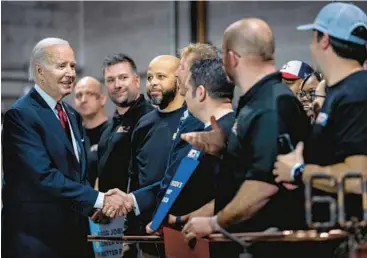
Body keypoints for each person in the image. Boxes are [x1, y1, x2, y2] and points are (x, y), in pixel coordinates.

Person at [180, 18, 310, 257]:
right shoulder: (254, 102)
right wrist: (225, 148)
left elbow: (263, 185)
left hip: (271, 247)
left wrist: (214, 222)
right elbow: (249, 169)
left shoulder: (271, 104)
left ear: (232, 58)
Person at [2, 37, 126, 258]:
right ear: (40, 71)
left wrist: (93, 208)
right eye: (62, 66)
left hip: (74, 238)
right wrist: (99, 199)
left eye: (72, 66)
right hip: (36, 242)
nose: (70, 72)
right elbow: (43, 177)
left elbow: (75, 174)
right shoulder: (20, 116)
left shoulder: (71, 115)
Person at [273, 2, 367, 197]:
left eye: (313, 38)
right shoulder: (340, 91)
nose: (311, 46)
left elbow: (358, 178)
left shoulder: (356, 95)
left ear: (324, 40)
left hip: (351, 223)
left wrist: (298, 171)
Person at [97, 54, 153, 193]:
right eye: (110, 80)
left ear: (137, 80)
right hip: (108, 212)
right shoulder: (108, 129)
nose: (117, 85)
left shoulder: (151, 120)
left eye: (123, 77)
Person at [74, 76, 108, 187]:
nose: (83, 100)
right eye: (79, 95)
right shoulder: (73, 136)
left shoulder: (115, 134)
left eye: (90, 94)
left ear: (102, 99)